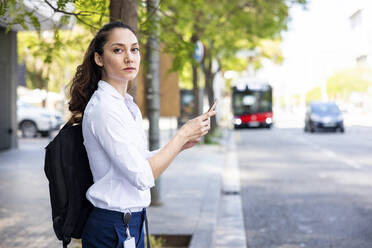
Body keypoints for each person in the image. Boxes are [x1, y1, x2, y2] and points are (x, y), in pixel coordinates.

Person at [68, 21, 216, 248]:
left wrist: (181, 144)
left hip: (131, 224)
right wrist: (181, 135)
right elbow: (143, 178)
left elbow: (137, 160)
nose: (129, 57)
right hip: (111, 228)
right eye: (118, 50)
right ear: (99, 59)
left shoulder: (127, 105)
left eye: (134, 49)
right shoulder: (104, 109)